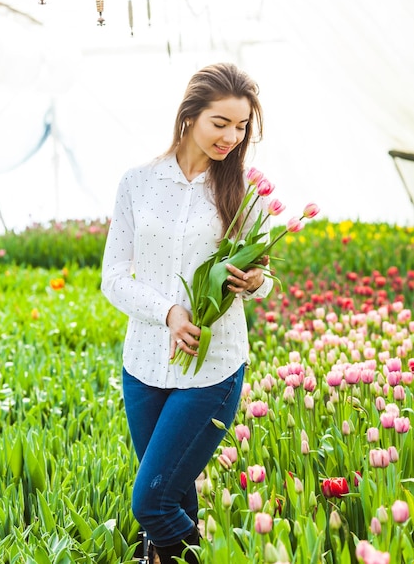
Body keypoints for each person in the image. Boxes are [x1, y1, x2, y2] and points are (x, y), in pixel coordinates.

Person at [101, 62, 274, 564]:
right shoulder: (137, 183)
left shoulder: (245, 191)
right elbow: (113, 277)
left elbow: (262, 276)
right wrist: (169, 311)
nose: (231, 136)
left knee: (151, 501)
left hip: (213, 368)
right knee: (175, 499)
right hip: (144, 366)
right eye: (221, 122)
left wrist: (259, 282)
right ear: (190, 114)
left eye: (241, 126)